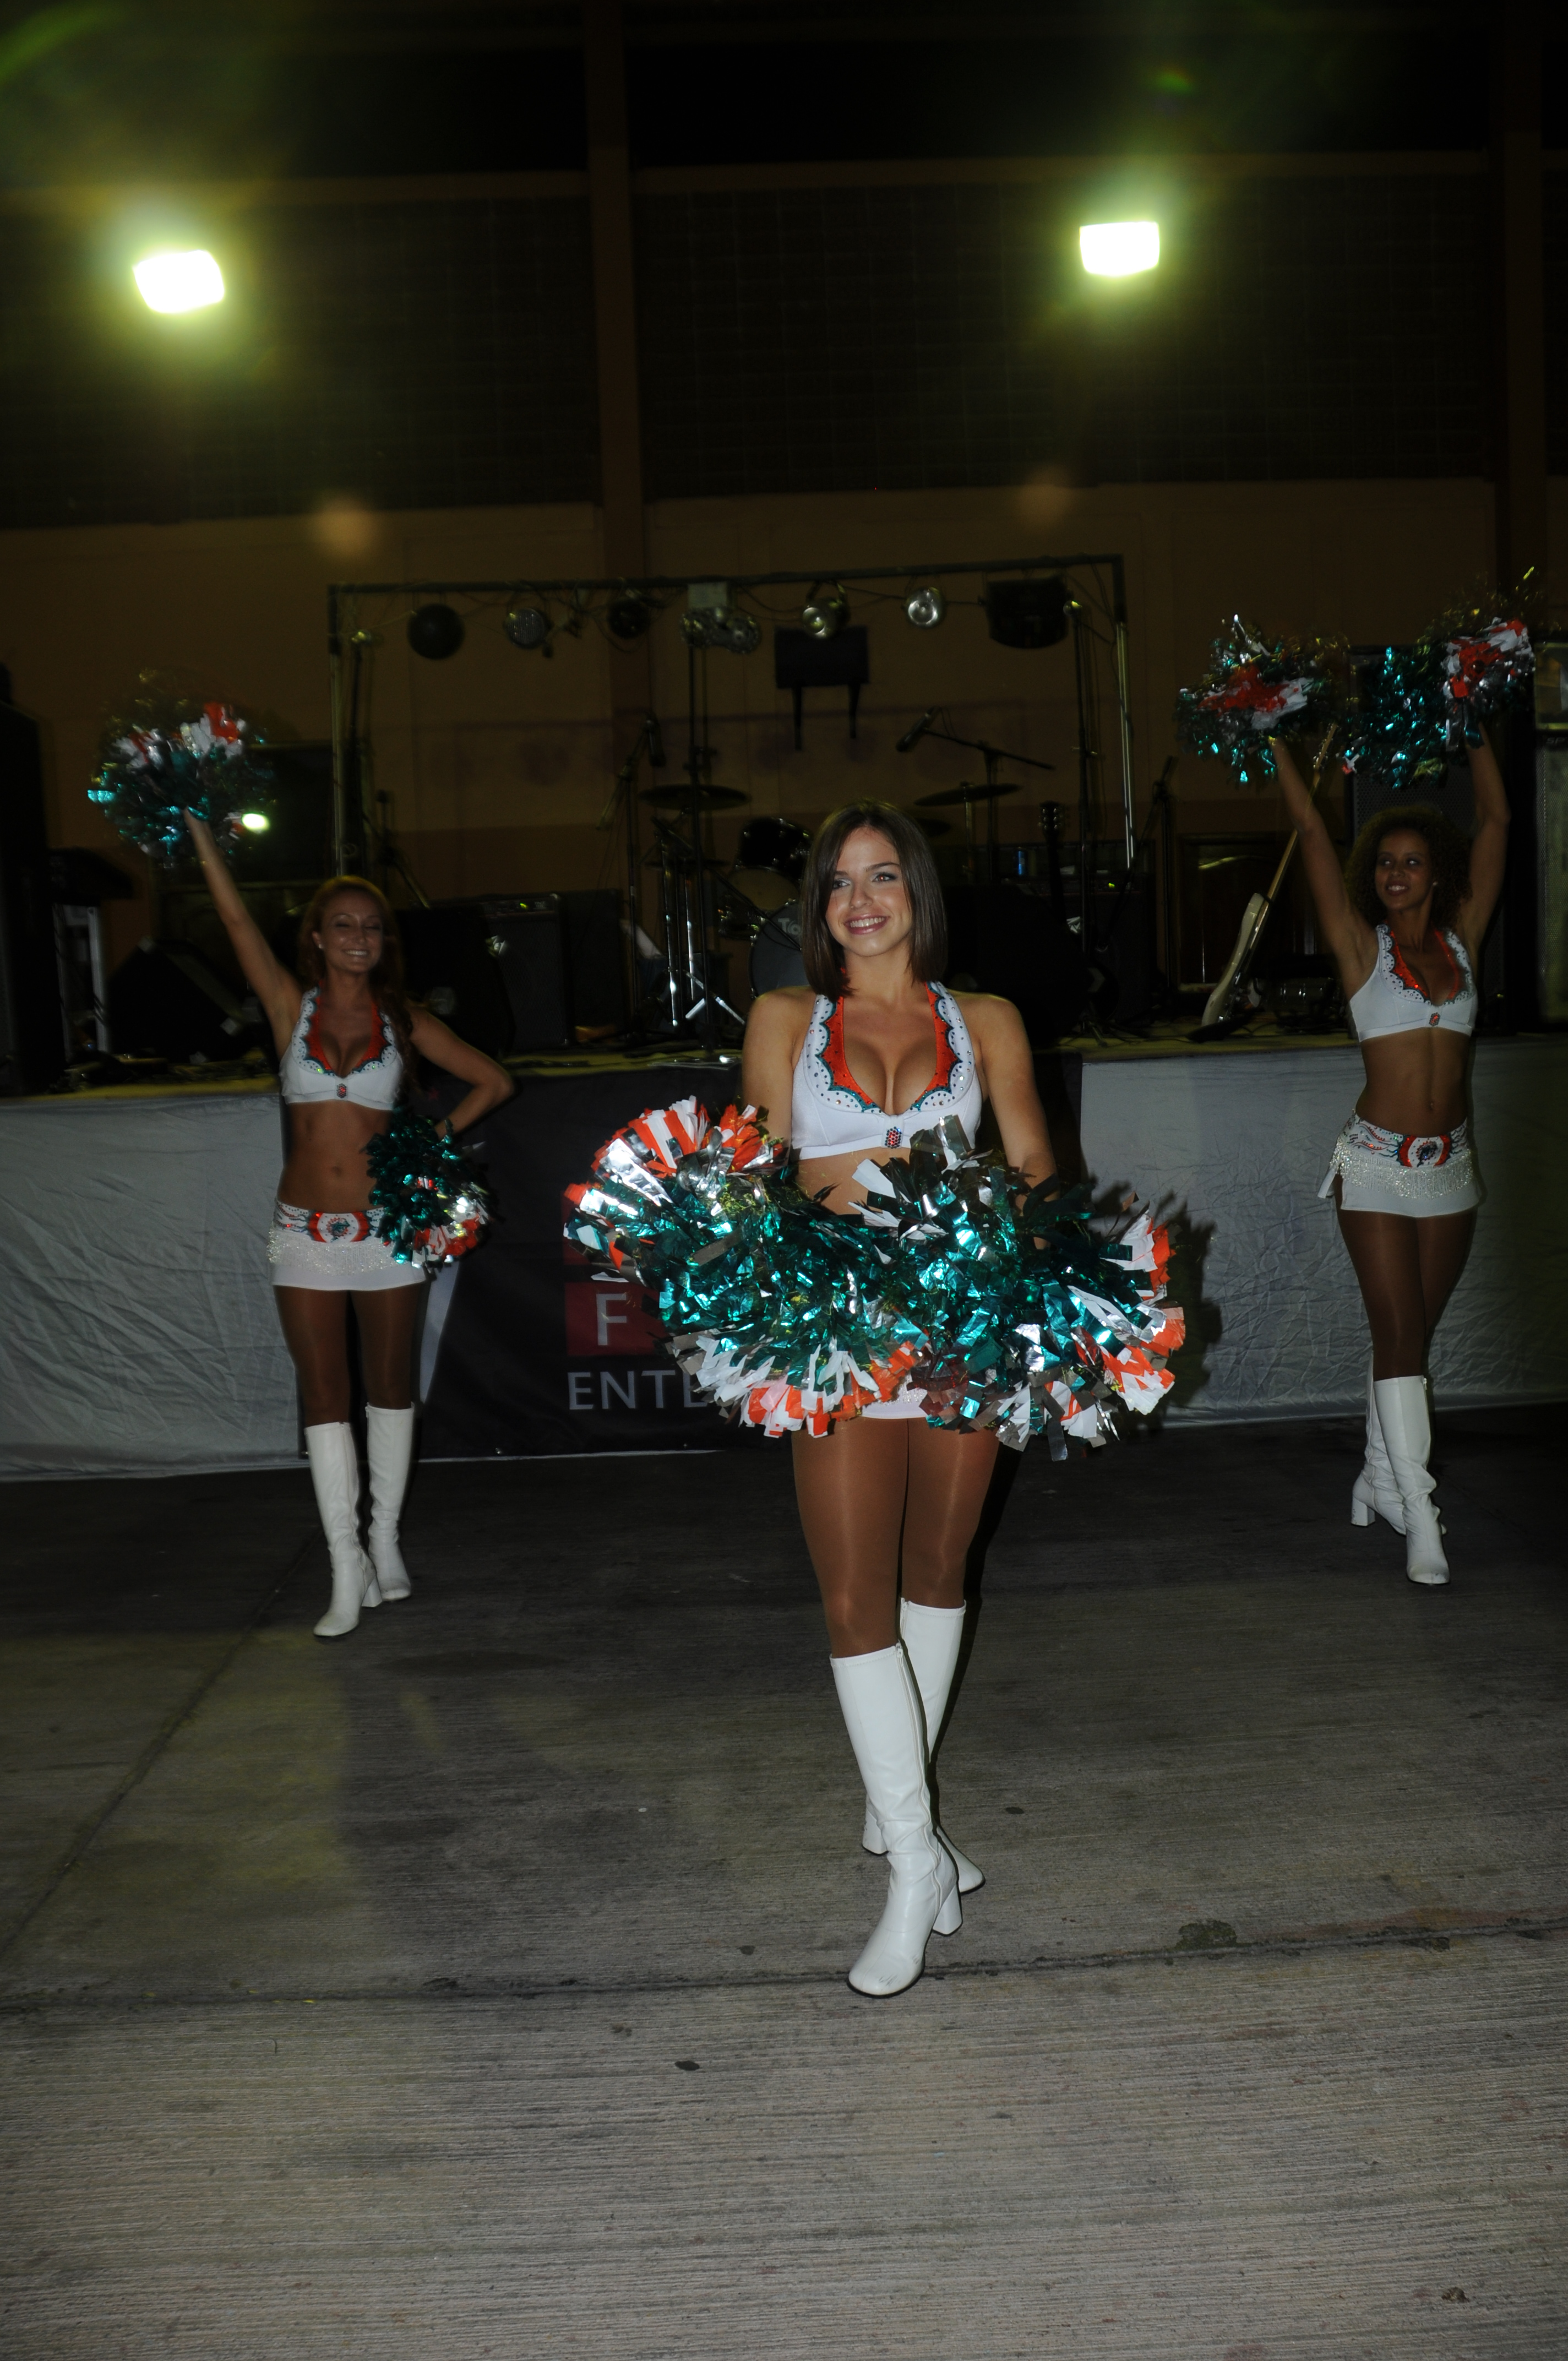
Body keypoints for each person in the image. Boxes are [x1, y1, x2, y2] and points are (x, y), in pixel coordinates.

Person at [741, 801, 1059, 1996]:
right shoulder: (783, 1016)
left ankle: (900, 1811)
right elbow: (761, 1167)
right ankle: (914, 1856)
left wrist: (1001, 1241)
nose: (857, 898)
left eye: (880, 875)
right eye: (836, 881)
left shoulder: (986, 1020)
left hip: (961, 1317)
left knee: (938, 1569)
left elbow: (1031, 1161)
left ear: (916, 892)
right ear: (819, 906)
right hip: (836, 1326)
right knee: (846, 1586)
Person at [184, 813, 513, 1638]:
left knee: (391, 1388)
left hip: (388, 1233)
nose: (358, 938)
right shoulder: (288, 1005)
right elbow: (232, 922)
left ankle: (385, 1541)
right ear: (317, 938)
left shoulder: (403, 1021)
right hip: (303, 1233)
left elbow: (492, 1082)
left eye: (371, 927)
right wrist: (198, 828)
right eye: (343, 926)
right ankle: (344, 1566)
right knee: (325, 1398)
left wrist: (423, 1147)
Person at [1272, 733, 1509, 1586]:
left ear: (1436, 871)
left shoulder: (1466, 939)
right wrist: (1274, 739)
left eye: (1413, 862)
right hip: (1374, 1167)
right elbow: (1307, 830)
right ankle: (1421, 1513)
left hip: (1452, 1169)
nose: (1396, 875)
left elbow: (1497, 816)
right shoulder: (1361, 948)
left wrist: (1474, 719)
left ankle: (1375, 1477)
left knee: (1414, 1337)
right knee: (1398, 1338)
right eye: (1385, 863)